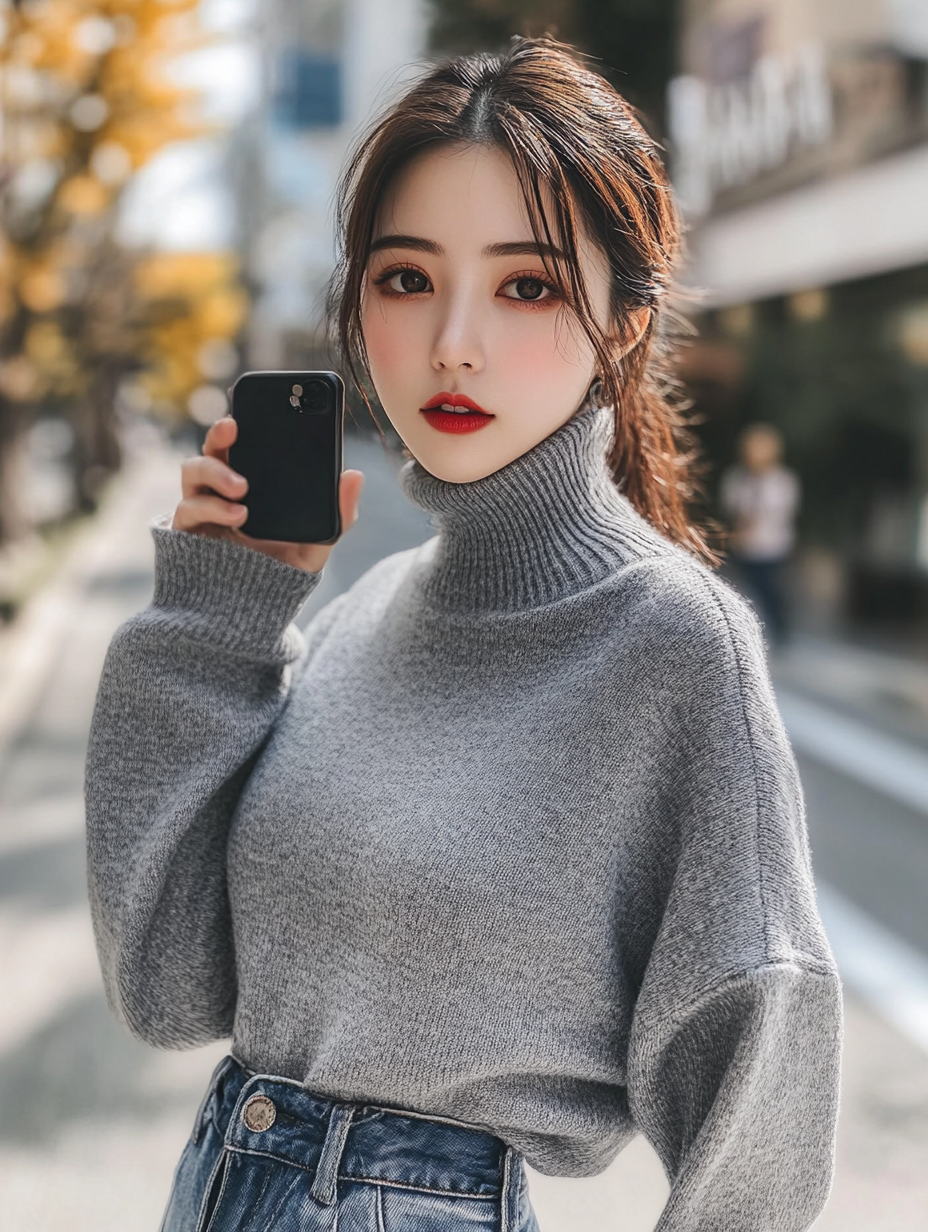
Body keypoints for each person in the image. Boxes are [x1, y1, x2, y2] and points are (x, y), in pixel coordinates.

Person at [85, 37, 842, 1232]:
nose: (452, 342)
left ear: (625, 322)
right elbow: (166, 981)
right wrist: (206, 624)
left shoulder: (673, 645)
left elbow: (764, 1051)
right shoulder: (361, 613)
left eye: (526, 285)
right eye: (404, 277)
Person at [720, 422, 801, 649]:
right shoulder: (736, 478)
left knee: (770, 591)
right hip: (743, 547)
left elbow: (782, 513)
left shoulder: (783, 481)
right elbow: (732, 510)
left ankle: (779, 632)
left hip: (771, 546)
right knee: (743, 591)